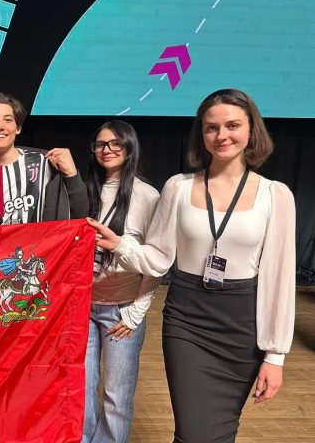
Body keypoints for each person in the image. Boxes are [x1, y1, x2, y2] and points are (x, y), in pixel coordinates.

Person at [88, 89, 296, 442]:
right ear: (202, 134)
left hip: (242, 324)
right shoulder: (179, 187)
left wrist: (275, 356)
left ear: (251, 130)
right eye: (211, 127)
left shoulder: (275, 195)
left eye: (232, 125)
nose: (221, 135)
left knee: (222, 430)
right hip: (187, 319)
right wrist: (120, 245)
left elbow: (280, 280)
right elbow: (158, 258)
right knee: (193, 430)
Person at [81, 120, 160, 443]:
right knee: (81, 389)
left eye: (116, 143)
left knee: (117, 395)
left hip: (120, 310)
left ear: (129, 147)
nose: (108, 150)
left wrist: (134, 313)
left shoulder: (147, 196)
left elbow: (156, 261)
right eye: (101, 144)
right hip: (82, 309)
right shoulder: (82, 189)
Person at [0, 92, 89, 226]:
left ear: (18, 128)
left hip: (40, 245)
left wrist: (72, 175)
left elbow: (81, 214)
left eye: (8, 120)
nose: (0, 126)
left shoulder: (46, 164)